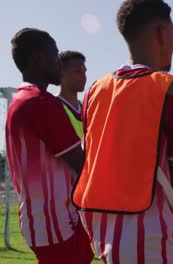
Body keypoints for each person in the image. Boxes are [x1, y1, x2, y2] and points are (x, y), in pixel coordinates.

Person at [71, 0, 173, 263]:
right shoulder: (169, 88)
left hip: (104, 236)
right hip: (153, 241)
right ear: (162, 33)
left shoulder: (94, 90)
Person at [6, 28, 93, 264]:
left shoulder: (21, 99)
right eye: (55, 55)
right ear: (38, 58)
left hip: (41, 221)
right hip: (56, 223)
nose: (59, 63)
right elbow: (82, 163)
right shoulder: (41, 103)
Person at [57, 51, 87, 139]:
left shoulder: (87, 106)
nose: (83, 76)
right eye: (78, 71)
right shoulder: (53, 106)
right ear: (61, 74)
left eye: (84, 71)